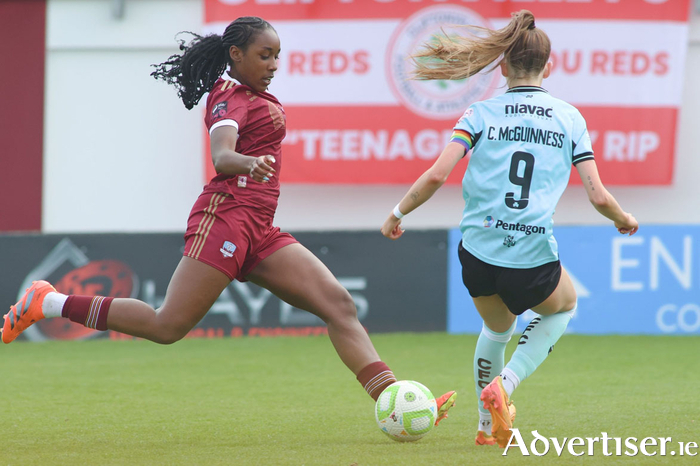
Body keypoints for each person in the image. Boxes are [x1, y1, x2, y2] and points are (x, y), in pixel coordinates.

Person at [3, 16, 455, 424]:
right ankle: (49, 302)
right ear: (236, 55)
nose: (274, 63)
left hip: (258, 227)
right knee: (168, 327)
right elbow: (222, 155)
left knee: (339, 306)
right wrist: (247, 162)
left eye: (277, 54)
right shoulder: (228, 98)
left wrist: (252, 167)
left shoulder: (256, 95)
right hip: (225, 219)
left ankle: (397, 402)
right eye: (265, 54)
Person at [381, 10, 638, 448]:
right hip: (530, 254)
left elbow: (437, 176)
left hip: (477, 253)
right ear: (549, 66)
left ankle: (485, 429)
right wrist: (623, 219)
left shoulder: (479, 114)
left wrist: (397, 213)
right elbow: (598, 196)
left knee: (497, 330)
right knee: (562, 308)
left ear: (501, 65)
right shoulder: (569, 118)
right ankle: (507, 385)